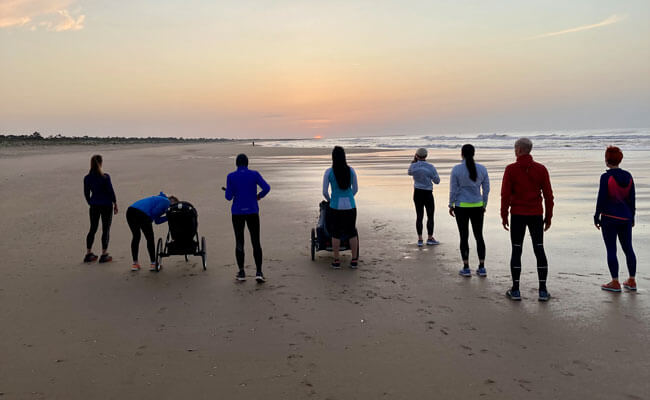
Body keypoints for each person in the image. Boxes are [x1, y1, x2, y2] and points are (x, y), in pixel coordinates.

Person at [501, 138, 554, 301]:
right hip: (536, 214)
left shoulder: (511, 169)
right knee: (539, 249)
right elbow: (548, 195)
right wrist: (548, 216)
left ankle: (516, 289)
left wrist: (504, 214)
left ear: (519, 150)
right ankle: (543, 290)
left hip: (518, 214)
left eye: (515, 148)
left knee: (517, 249)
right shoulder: (541, 169)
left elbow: (505, 195)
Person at [595, 146, 636, 292]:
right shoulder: (629, 176)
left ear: (606, 160)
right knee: (628, 248)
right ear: (620, 159)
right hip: (626, 217)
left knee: (611, 249)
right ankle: (631, 280)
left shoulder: (606, 177)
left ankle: (615, 282)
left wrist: (596, 215)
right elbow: (632, 199)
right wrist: (632, 217)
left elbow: (602, 198)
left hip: (609, 218)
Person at [225, 154, 270, 282]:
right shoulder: (254, 174)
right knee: (256, 241)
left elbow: (228, 197)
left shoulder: (231, 176)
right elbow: (267, 188)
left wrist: (232, 191)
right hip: (252, 211)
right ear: (247, 163)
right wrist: (258, 196)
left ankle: (242, 272)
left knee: (239, 241)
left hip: (237, 212)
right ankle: (259, 272)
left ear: (236, 164)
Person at [449, 144, 490, 277]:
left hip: (461, 206)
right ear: (474, 153)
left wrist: (451, 204)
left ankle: (466, 267)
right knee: (479, 236)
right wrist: (484, 204)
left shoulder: (456, 169)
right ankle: (482, 266)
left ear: (462, 154)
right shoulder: (482, 169)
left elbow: (453, 189)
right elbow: (486, 189)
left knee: (464, 236)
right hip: (477, 206)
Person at [323, 146, 359, 269]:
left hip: (335, 206)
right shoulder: (351, 171)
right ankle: (354, 260)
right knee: (352, 232)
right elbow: (355, 189)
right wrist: (349, 197)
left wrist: (330, 200)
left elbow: (324, 192)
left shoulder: (329, 172)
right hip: (350, 205)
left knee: (335, 233)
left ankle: (337, 260)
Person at [126, 192, 178, 272]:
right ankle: (153, 263)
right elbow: (154, 214)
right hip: (142, 214)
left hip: (130, 211)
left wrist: (168, 217)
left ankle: (135, 264)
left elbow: (157, 221)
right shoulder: (166, 201)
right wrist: (168, 214)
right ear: (172, 201)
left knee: (136, 236)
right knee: (150, 239)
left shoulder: (158, 199)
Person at [83, 155, 118, 263]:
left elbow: (86, 193)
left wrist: (91, 202)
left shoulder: (87, 177)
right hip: (106, 205)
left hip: (94, 205)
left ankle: (89, 253)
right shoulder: (105, 177)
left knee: (93, 228)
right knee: (105, 229)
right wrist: (115, 203)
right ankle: (104, 254)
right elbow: (110, 191)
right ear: (101, 163)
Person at [408, 147, 441, 246]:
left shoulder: (413, 166)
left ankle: (420, 239)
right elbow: (437, 181)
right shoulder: (430, 167)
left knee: (419, 215)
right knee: (430, 216)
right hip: (427, 192)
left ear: (416, 155)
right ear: (426, 156)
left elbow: (409, 173)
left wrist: (415, 161)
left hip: (417, 192)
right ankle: (430, 238)